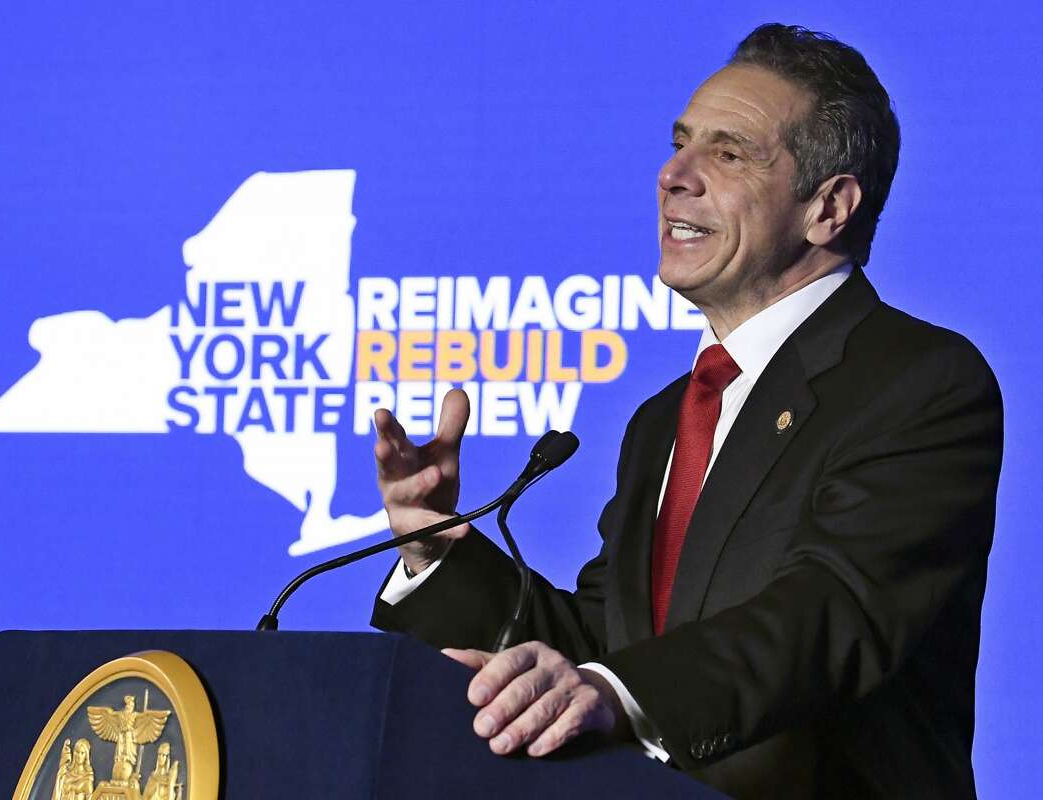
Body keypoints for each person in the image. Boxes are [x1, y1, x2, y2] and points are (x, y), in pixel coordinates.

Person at [370, 23, 1002, 799]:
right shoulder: (663, 420)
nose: (674, 174)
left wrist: (615, 691)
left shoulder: (919, 382)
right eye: (680, 144)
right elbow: (604, 647)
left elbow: (831, 612)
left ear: (830, 207)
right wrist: (435, 551)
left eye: (729, 153)